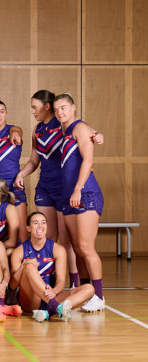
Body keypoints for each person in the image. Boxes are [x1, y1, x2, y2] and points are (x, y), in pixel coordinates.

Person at [15, 90, 104, 288]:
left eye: (34, 107)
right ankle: (52, 282)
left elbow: (85, 132)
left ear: (46, 107)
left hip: (69, 188)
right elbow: (33, 160)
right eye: (57, 109)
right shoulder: (39, 130)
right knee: (48, 238)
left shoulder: (64, 125)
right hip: (47, 187)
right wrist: (21, 174)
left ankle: (77, 284)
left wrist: (98, 135)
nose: (32, 111)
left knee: (71, 242)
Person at [54, 93, 105, 312]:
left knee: (85, 247)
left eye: (64, 108)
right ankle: (85, 291)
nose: (60, 113)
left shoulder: (80, 128)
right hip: (68, 196)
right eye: (56, 110)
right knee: (76, 247)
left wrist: (77, 189)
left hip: (85, 193)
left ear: (73, 107)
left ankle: (99, 296)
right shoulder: (66, 132)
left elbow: (88, 159)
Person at [10, 212, 95, 322]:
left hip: (51, 295)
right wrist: (24, 266)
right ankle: (56, 307)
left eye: (43, 223)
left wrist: (54, 291)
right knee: (30, 267)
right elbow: (13, 285)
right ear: (28, 228)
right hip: (31, 299)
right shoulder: (19, 251)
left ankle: (47, 313)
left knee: (89, 288)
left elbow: (60, 281)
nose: (40, 226)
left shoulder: (58, 249)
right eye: (35, 223)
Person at [0, 99, 27, 242]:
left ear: (6, 114)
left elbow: (17, 130)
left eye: (2, 112)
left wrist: (15, 134)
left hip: (13, 188)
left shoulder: (12, 131)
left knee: (20, 235)